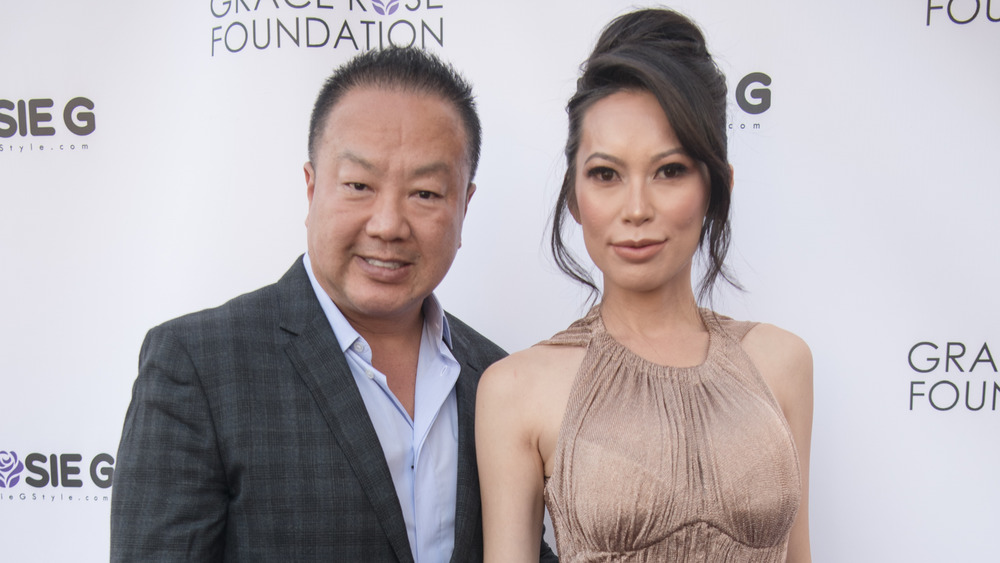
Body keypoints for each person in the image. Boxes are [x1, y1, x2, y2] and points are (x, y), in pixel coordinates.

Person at [111, 46, 556, 563]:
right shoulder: (199, 365)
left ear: (464, 204)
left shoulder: (498, 379)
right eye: (359, 186)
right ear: (311, 187)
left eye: (426, 194)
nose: (388, 224)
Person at [476, 8, 812, 563]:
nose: (636, 209)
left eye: (670, 170)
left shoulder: (783, 363)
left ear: (716, 188)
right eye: (606, 174)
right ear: (574, 197)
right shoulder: (516, 390)